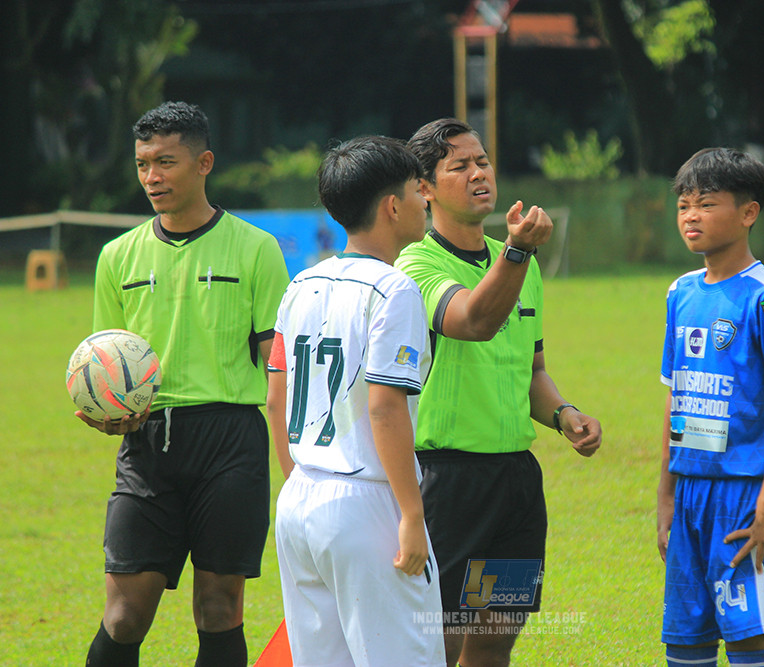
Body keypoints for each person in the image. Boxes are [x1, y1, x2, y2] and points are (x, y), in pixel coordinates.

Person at [79, 101, 289, 666]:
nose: (152, 177)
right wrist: (105, 411)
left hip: (231, 442)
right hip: (146, 444)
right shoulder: (115, 256)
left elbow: (278, 359)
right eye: (143, 163)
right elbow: (106, 360)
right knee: (123, 616)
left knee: (219, 608)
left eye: (166, 162)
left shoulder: (256, 248)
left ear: (204, 163)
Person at [395, 118, 602, 667]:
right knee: (439, 640)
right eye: (458, 166)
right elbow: (473, 319)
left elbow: (532, 371)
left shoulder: (519, 262)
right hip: (446, 481)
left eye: (481, 161)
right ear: (425, 188)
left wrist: (563, 413)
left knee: (492, 641)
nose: (478, 173)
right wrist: (516, 254)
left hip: (513, 483)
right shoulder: (416, 263)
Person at [265, 135, 445, 665]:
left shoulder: (301, 282)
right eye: (419, 190)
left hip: (299, 501)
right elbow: (385, 406)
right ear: (393, 206)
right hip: (366, 503)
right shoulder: (395, 289)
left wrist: (296, 483)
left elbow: (276, 399)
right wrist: (411, 515)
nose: (425, 201)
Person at [657, 147, 764, 667]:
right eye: (684, 205)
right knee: (685, 642)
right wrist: (666, 499)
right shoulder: (679, 293)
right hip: (691, 494)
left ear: (749, 212)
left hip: (746, 495)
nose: (691, 216)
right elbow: (674, 397)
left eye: (706, 204)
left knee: (749, 641)